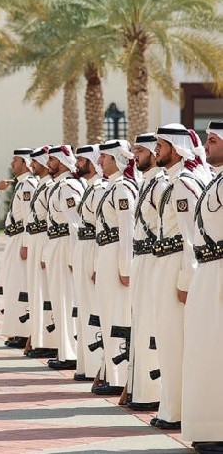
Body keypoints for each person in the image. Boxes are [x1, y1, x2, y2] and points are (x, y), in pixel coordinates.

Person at [151, 124, 209, 430]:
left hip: (176, 266)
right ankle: (172, 407)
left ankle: (176, 412)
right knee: (168, 340)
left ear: (176, 148)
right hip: (166, 263)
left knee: (174, 342)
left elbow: (191, 239)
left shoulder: (184, 184)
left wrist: (185, 282)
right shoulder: (173, 182)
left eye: (161, 145)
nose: (156, 150)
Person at [182, 121, 223, 452]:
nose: (206, 146)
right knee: (207, 351)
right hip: (209, 272)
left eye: (212, 140)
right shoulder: (215, 181)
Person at [93, 140, 138, 396]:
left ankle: (120, 376)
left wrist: (125, 267)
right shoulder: (113, 187)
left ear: (116, 160)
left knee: (118, 315)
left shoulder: (122, 189)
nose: (100, 162)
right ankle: (112, 371)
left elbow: (127, 231)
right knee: (108, 314)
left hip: (116, 256)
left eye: (105, 158)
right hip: (106, 254)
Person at [128, 133, 165, 411]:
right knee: (140, 325)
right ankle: (141, 390)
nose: (135, 156)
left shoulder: (162, 185)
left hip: (155, 259)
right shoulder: (145, 183)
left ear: (155, 153)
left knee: (153, 327)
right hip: (141, 258)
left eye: (140, 150)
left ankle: (154, 392)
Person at [42, 145, 83, 370]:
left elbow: (75, 223)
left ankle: (71, 354)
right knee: (59, 299)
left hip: (65, 245)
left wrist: (73, 255)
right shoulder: (59, 186)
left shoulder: (68, 187)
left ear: (62, 161)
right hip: (56, 244)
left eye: (52, 160)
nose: (49, 163)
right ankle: (64, 350)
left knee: (67, 300)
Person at [71, 144, 106, 381]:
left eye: (81, 160)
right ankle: (86, 365)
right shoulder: (89, 189)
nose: (77, 164)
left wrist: (94, 263)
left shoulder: (102, 189)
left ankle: (98, 366)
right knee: (84, 309)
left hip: (94, 248)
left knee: (94, 310)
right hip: (83, 248)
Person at [0, 148, 37, 349]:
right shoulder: (21, 185)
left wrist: (26, 245)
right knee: (13, 286)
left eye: (16, 161)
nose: (12, 165)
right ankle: (15, 331)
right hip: (14, 237)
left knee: (21, 287)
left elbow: (30, 217)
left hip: (22, 238)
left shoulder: (28, 185)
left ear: (25, 163)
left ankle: (23, 332)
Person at [23, 146, 58, 358]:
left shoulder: (50, 187)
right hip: (37, 242)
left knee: (45, 293)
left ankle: (48, 342)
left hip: (45, 242)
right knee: (37, 292)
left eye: (35, 162)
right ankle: (39, 339)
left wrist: (44, 252)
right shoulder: (41, 186)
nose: (32, 166)